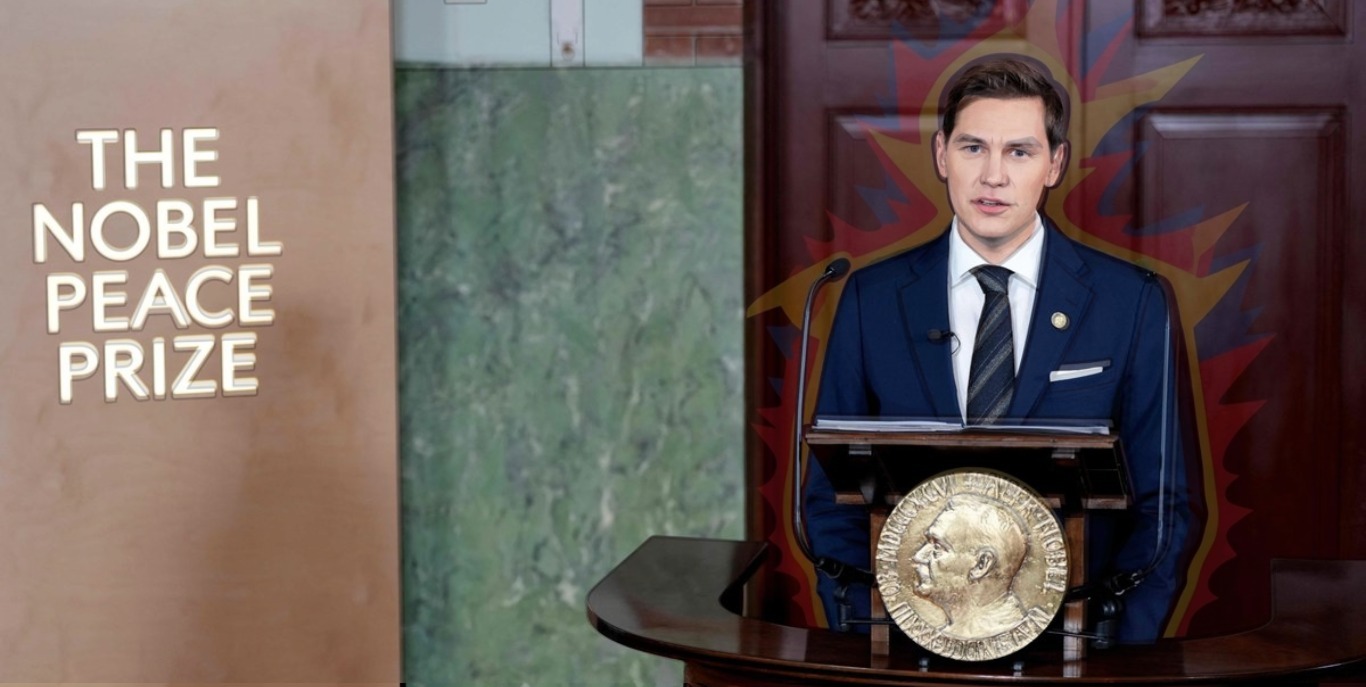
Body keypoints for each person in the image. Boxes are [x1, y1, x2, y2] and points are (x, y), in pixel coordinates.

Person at [806, 57, 1191, 643]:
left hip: (1079, 648)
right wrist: (874, 635)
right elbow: (829, 499)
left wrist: (1116, 652)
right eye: (973, 148)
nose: (993, 176)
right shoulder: (870, 299)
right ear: (942, 155)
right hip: (903, 648)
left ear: (1054, 164)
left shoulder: (1131, 302)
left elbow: (1164, 508)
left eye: (1019, 152)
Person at [911, 494, 1029, 639]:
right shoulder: (956, 631)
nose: (919, 556)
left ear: (981, 565)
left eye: (937, 547)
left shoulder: (999, 629)